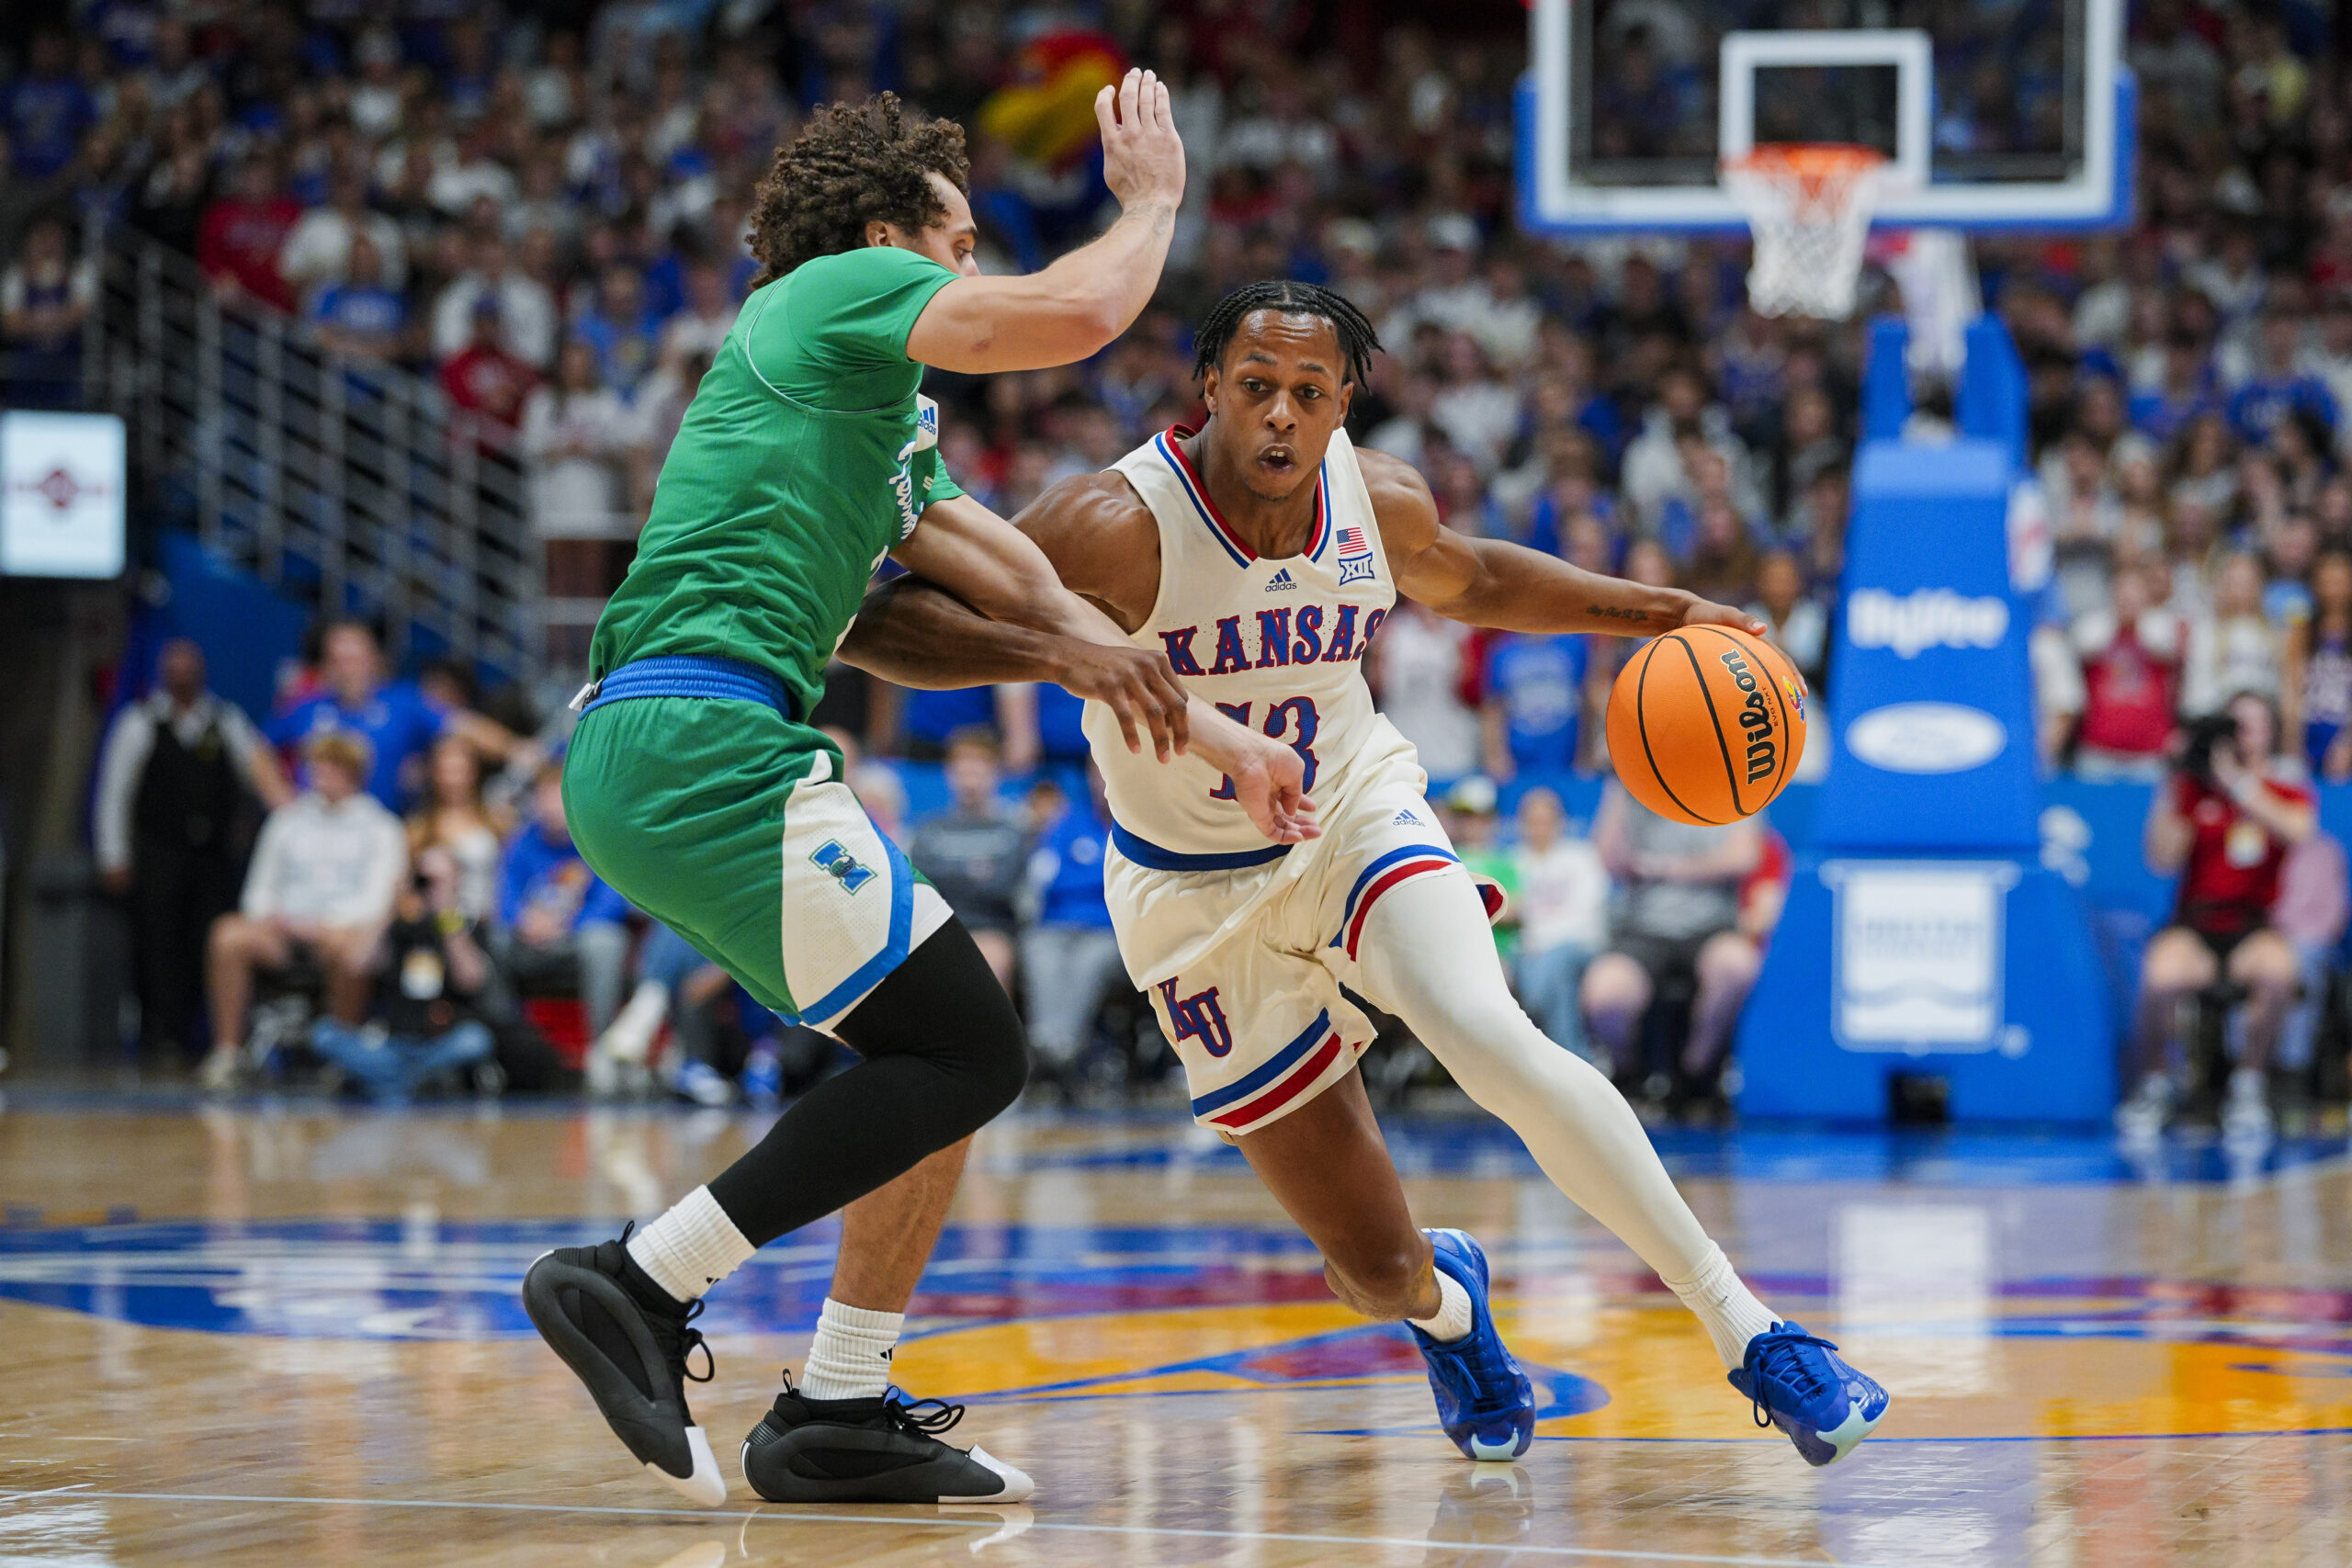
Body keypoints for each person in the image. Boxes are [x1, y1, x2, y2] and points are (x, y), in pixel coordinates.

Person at [844, 279, 1886, 1472]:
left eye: (1308, 391)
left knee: (1484, 1029)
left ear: (1347, 399)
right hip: (1191, 897)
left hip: (1353, 814)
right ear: (1209, 393)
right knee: (1373, 1265)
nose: (1280, 417)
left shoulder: (1376, 497)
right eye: (1255, 389)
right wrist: (1066, 649)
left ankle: (1752, 1331)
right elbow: (884, 624)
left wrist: (1656, 610)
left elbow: (1478, 579)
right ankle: (1449, 1304)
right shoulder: (1113, 523)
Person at [523, 83, 1310, 1511]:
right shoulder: (835, 292)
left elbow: (1034, 598)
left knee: (933, 1051)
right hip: (703, 739)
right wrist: (1152, 205)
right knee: (970, 1048)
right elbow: (1073, 315)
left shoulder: (874, 428)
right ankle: (636, 1277)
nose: (964, 268)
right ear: (890, 234)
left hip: (682, 747)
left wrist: (1220, 735)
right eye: (955, 240)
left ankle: (836, 1401)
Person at [2120, 691, 2316, 1142]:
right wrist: (2173, 785)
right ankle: (2154, 1083)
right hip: (2196, 923)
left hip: (2252, 924)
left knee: (2279, 971)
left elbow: (2299, 830)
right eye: (2233, 726)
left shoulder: (2281, 789)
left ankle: (2249, 1084)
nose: (2241, 736)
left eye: (2251, 726)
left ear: (2269, 734)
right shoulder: (2193, 790)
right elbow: (2162, 860)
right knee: (2161, 974)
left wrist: (2239, 783)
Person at [94, 639, 292, 1066]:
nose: (182, 676)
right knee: (159, 944)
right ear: (164, 673)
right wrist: (113, 855)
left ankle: (207, 1036)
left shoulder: (225, 720)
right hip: (158, 855)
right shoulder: (141, 722)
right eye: (174, 668)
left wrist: (293, 812)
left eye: (190, 668)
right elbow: (115, 793)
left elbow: (258, 772)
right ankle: (161, 1036)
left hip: (212, 858)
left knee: (207, 941)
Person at [202, 731, 407, 1092]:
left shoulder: (381, 828)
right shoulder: (287, 821)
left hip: (340, 931)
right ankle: (228, 1053)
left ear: (354, 773)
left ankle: (343, 1057)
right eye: (318, 766)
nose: (321, 774)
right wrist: (276, 918)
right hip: (284, 932)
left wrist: (323, 926)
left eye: (332, 767)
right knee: (228, 935)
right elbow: (260, 889)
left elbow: (378, 899)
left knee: (352, 948)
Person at [1580, 782, 1766, 1102]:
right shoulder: (1634, 783)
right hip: (1642, 928)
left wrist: (1668, 868)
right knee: (1605, 994)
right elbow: (1609, 861)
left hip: (1711, 924)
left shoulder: (1733, 779)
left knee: (1737, 966)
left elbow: (1745, 856)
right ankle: (1629, 1075)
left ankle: (1697, 1072)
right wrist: (1618, 784)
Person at [311, 845, 496, 1103]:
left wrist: (445, 910)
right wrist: (390, 905)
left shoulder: (465, 925)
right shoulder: (399, 926)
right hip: (391, 1043)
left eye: (438, 879)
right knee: (324, 1034)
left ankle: (390, 1085)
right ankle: (413, 1084)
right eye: (423, 877)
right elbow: (356, 964)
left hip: (439, 1042)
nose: (428, 885)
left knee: (476, 1040)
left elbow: (471, 979)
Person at [269, 618, 516, 811]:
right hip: (313, 829)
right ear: (326, 665)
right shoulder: (307, 708)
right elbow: (259, 747)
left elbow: (462, 725)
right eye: (339, 660)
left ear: (374, 660)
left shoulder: (401, 703)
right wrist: (281, 799)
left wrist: (515, 750)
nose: (348, 669)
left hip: (377, 830)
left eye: (355, 659)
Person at [492, 761, 632, 1043]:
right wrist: (524, 922)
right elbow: (504, 900)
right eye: (545, 798)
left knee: (607, 943)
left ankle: (600, 1047)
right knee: (493, 940)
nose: (552, 808)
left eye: (559, 799)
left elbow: (613, 903)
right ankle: (507, 1041)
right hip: (528, 940)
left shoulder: (596, 841)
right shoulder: (521, 843)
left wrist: (566, 925)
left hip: (574, 941)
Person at [1018, 765, 1126, 1096]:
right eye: (1098, 772)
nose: (1104, 779)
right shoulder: (1066, 823)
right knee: (1038, 954)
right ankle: (1051, 1045)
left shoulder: (1137, 826)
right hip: (1057, 923)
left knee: (1088, 963)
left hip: (1109, 930)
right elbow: (1045, 878)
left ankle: (1057, 1051)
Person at [907, 728, 1026, 991]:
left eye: (977, 768)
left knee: (990, 961)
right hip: (936, 929)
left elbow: (1001, 888)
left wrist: (952, 874)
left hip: (992, 930)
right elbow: (920, 884)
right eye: (962, 768)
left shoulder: (1012, 829)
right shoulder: (930, 829)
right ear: (950, 773)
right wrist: (975, 871)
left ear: (995, 773)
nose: (969, 778)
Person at [1509, 787, 1610, 1064]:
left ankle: (1568, 1060)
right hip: (1524, 951)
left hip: (1576, 947)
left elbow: (1584, 916)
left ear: (1560, 821)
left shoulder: (1581, 857)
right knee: (1547, 978)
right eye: (1532, 820)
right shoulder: (1512, 862)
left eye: (1545, 820)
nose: (1538, 827)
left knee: (1550, 972)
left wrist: (1529, 921)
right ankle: (1574, 1063)